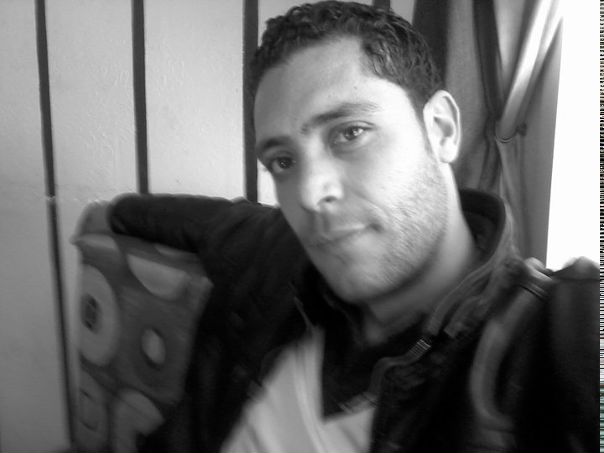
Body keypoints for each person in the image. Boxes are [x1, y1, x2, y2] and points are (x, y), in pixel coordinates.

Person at [103, 2, 597, 452]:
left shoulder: (550, 337)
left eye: (349, 133)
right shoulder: (276, 254)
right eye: (282, 161)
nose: (309, 193)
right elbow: (203, 220)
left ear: (441, 129)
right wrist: (107, 213)